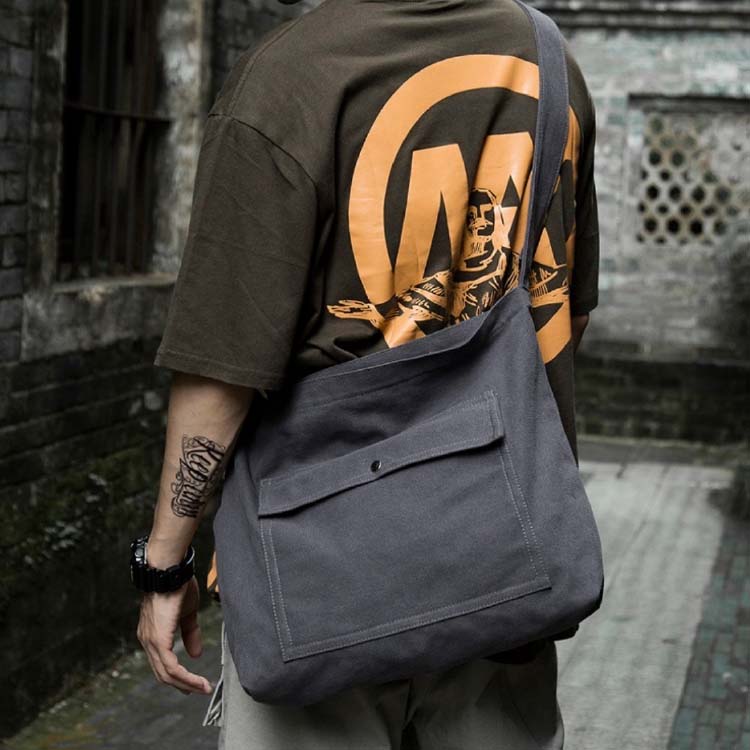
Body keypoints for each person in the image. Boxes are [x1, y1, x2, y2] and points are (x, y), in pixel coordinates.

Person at [134, 0, 599, 747]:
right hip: (504, 558)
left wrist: (163, 565)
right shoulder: (551, 66)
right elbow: (564, 314)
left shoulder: (287, 79)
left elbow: (222, 370)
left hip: (319, 582)